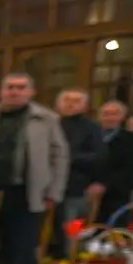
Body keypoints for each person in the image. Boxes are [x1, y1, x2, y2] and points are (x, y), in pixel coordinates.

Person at [0, 73, 68, 264]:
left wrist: (54, 192)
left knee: (22, 245)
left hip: (27, 192)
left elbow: (60, 155)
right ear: (1, 91)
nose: (15, 92)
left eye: (21, 87)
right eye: (10, 87)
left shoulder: (46, 119)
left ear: (31, 92)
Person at [55, 89, 104, 243]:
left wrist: (65, 159)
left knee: (73, 227)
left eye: (76, 101)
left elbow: (98, 155)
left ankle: (72, 256)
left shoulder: (91, 128)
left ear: (84, 107)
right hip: (47, 187)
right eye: (67, 100)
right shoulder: (50, 124)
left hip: (76, 186)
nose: (70, 104)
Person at [87, 100, 133, 224]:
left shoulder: (132, 140)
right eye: (106, 113)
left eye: (114, 114)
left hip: (117, 194)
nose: (109, 117)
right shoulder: (88, 135)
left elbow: (129, 168)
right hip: (86, 192)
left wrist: (104, 185)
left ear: (122, 117)